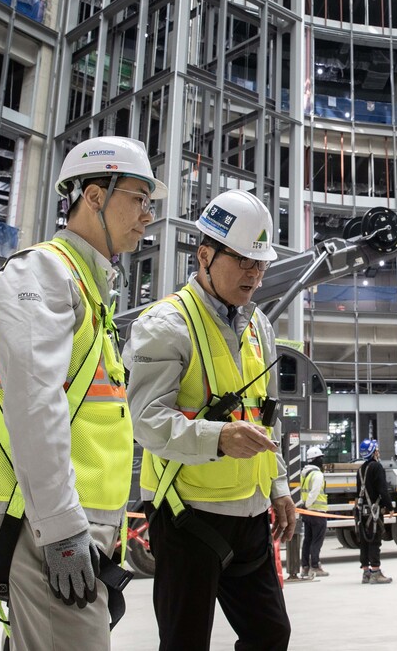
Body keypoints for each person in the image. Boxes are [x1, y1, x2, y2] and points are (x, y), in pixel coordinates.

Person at [0, 136, 164, 650]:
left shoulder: (89, 287)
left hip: (66, 515)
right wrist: (61, 527)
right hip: (43, 519)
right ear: (94, 196)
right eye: (138, 198)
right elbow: (34, 408)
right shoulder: (43, 271)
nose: (147, 215)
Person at [125, 189, 296, 651]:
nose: (254, 274)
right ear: (205, 255)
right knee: (185, 642)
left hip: (250, 513)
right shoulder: (166, 324)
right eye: (243, 260)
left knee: (270, 634)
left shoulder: (258, 325)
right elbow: (146, 420)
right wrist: (218, 437)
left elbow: (265, 415)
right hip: (187, 517)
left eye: (260, 264)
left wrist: (278, 486)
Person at [355, 439, 393, 584]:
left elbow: (358, 492)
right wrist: (389, 507)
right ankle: (376, 572)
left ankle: (366, 573)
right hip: (374, 512)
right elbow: (382, 489)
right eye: (376, 450)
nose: (378, 452)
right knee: (374, 540)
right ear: (373, 452)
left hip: (362, 512)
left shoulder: (360, 470)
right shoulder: (377, 467)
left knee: (364, 541)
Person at [296, 446, 329, 579]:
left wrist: (305, 507)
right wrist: (308, 505)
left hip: (307, 512)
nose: (322, 461)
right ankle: (315, 566)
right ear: (316, 459)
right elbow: (314, 493)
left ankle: (305, 567)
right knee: (317, 540)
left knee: (308, 540)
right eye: (320, 458)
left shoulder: (304, 474)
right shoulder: (317, 475)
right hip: (317, 512)